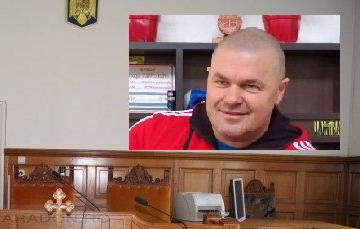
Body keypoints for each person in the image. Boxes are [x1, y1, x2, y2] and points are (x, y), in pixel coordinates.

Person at [129, 27, 315, 151]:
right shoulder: (148, 134)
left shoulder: (306, 164)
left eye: (250, 86)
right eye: (222, 82)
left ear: (280, 91)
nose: (232, 99)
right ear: (209, 77)